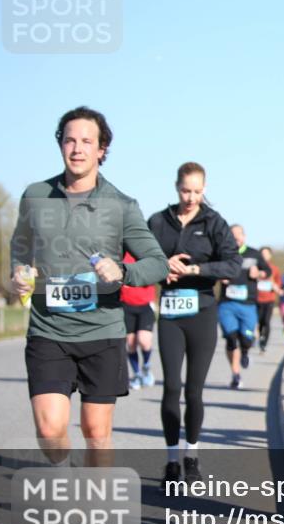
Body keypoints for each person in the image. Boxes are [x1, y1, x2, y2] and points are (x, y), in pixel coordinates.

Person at [10, 106, 168, 465]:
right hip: (49, 329)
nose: (77, 148)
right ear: (60, 145)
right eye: (70, 140)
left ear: (102, 149)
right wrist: (19, 270)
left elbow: (156, 263)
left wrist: (124, 273)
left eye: (87, 141)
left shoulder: (122, 206)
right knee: (50, 430)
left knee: (96, 433)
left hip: (102, 331)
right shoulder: (35, 195)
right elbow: (20, 244)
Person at [148, 162, 240, 486]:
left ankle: (192, 457)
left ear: (204, 189)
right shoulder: (158, 221)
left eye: (197, 191)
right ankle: (172, 460)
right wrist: (163, 265)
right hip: (171, 314)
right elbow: (139, 259)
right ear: (176, 187)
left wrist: (196, 271)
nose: (191, 197)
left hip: (202, 312)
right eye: (186, 190)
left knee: (194, 390)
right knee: (172, 386)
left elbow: (233, 264)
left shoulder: (214, 222)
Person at [218, 224, 270, 389]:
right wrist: (219, 276)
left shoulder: (254, 254)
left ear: (244, 236)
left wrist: (259, 273)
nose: (236, 238)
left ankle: (246, 351)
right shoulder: (223, 254)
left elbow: (267, 271)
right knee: (231, 338)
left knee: (246, 338)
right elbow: (210, 270)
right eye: (232, 235)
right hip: (227, 303)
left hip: (248, 303)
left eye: (239, 235)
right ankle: (235, 374)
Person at [120, 251, 156, 390]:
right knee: (131, 343)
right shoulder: (121, 255)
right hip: (126, 305)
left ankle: (146, 366)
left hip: (145, 305)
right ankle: (137, 374)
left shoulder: (146, 253)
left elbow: (155, 273)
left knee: (144, 340)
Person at [256, 246, 280, 352]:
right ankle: (260, 336)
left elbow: (278, 284)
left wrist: (273, 284)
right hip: (257, 299)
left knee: (266, 321)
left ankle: (264, 343)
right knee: (259, 321)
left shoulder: (274, 268)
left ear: (270, 255)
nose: (264, 255)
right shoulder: (255, 267)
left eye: (266, 254)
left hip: (269, 299)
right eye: (262, 253)